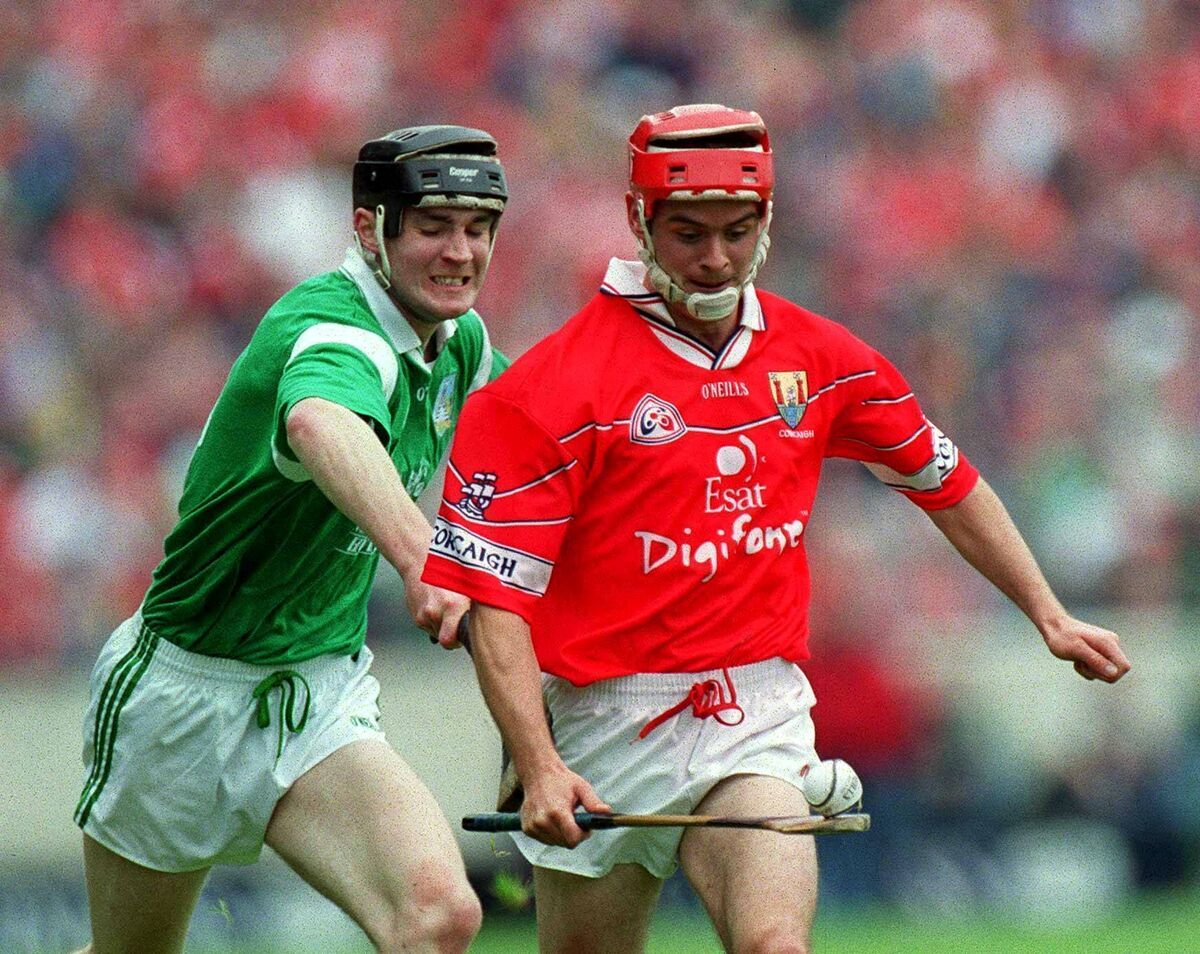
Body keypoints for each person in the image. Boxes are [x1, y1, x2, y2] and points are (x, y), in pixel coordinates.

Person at [420, 104, 1132, 954]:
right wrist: (537, 763)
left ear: (769, 219)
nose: (716, 258)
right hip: (598, 721)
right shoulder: (547, 391)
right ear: (638, 220)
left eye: (738, 228)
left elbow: (944, 479)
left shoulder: (822, 357)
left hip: (756, 715)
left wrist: (1047, 611)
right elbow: (497, 600)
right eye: (688, 232)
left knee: (775, 947)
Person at [73, 124, 511, 954]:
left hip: (317, 690)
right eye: (433, 226)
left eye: (478, 227)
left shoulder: (460, 344)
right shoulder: (334, 328)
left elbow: (547, 430)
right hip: (184, 691)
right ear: (369, 228)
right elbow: (318, 420)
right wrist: (424, 556)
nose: (461, 251)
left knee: (438, 915)